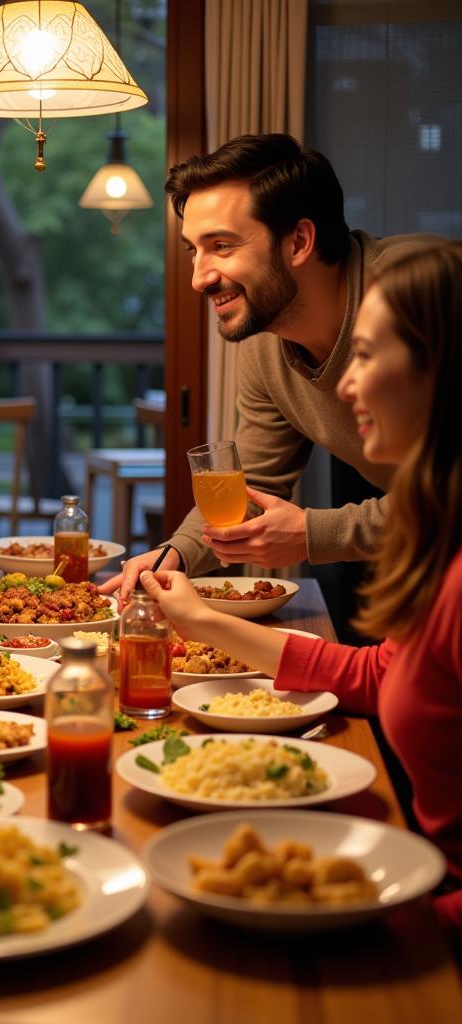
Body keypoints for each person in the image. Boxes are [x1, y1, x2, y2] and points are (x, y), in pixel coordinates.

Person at [138, 242, 462, 941]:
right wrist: (200, 618)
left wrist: (399, 932)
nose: (343, 389)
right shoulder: (443, 554)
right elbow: (382, 673)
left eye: (369, 357)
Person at [105, 133, 441, 601]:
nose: (199, 278)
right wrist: (174, 555)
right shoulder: (268, 345)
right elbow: (251, 483)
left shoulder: (425, 291)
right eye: (193, 250)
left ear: (299, 241)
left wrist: (313, 533)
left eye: (221, 245)